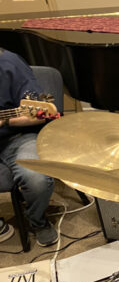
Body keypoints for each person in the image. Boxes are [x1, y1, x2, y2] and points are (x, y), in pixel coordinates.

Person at [0, 48, 59, 246]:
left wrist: (5, 121)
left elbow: (40, 114)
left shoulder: (10, 64)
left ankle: (37, 221)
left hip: (16, 137)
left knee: (36, 179)